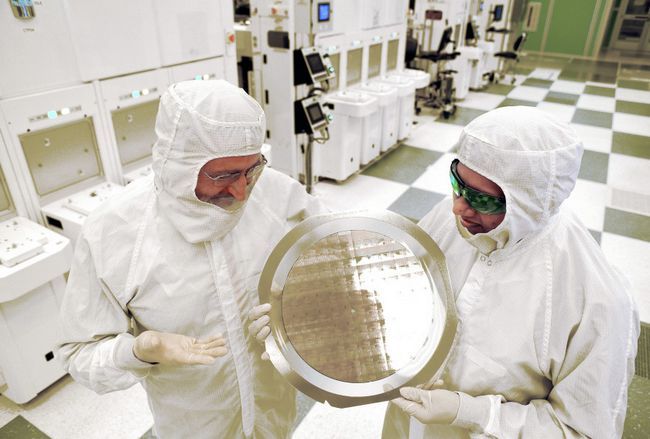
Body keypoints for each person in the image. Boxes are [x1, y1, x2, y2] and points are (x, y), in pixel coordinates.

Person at [57, 80, 325, 438]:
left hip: (274, 412)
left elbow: (337, 263)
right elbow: (79, 354)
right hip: (192, 426)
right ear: (179, 164)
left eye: (251, 169)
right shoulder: (115, 232)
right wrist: (139, 351)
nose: (241, 190)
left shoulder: (278, 196)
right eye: (224, 175)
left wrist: (310, 304)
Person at [383, 106, 640, 438]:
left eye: (483, 200)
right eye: (456, 182)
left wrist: (471, 413)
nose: (458, 206)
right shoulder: (455, 221)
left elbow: (582, 431)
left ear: (528, 203)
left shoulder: (597, 301)